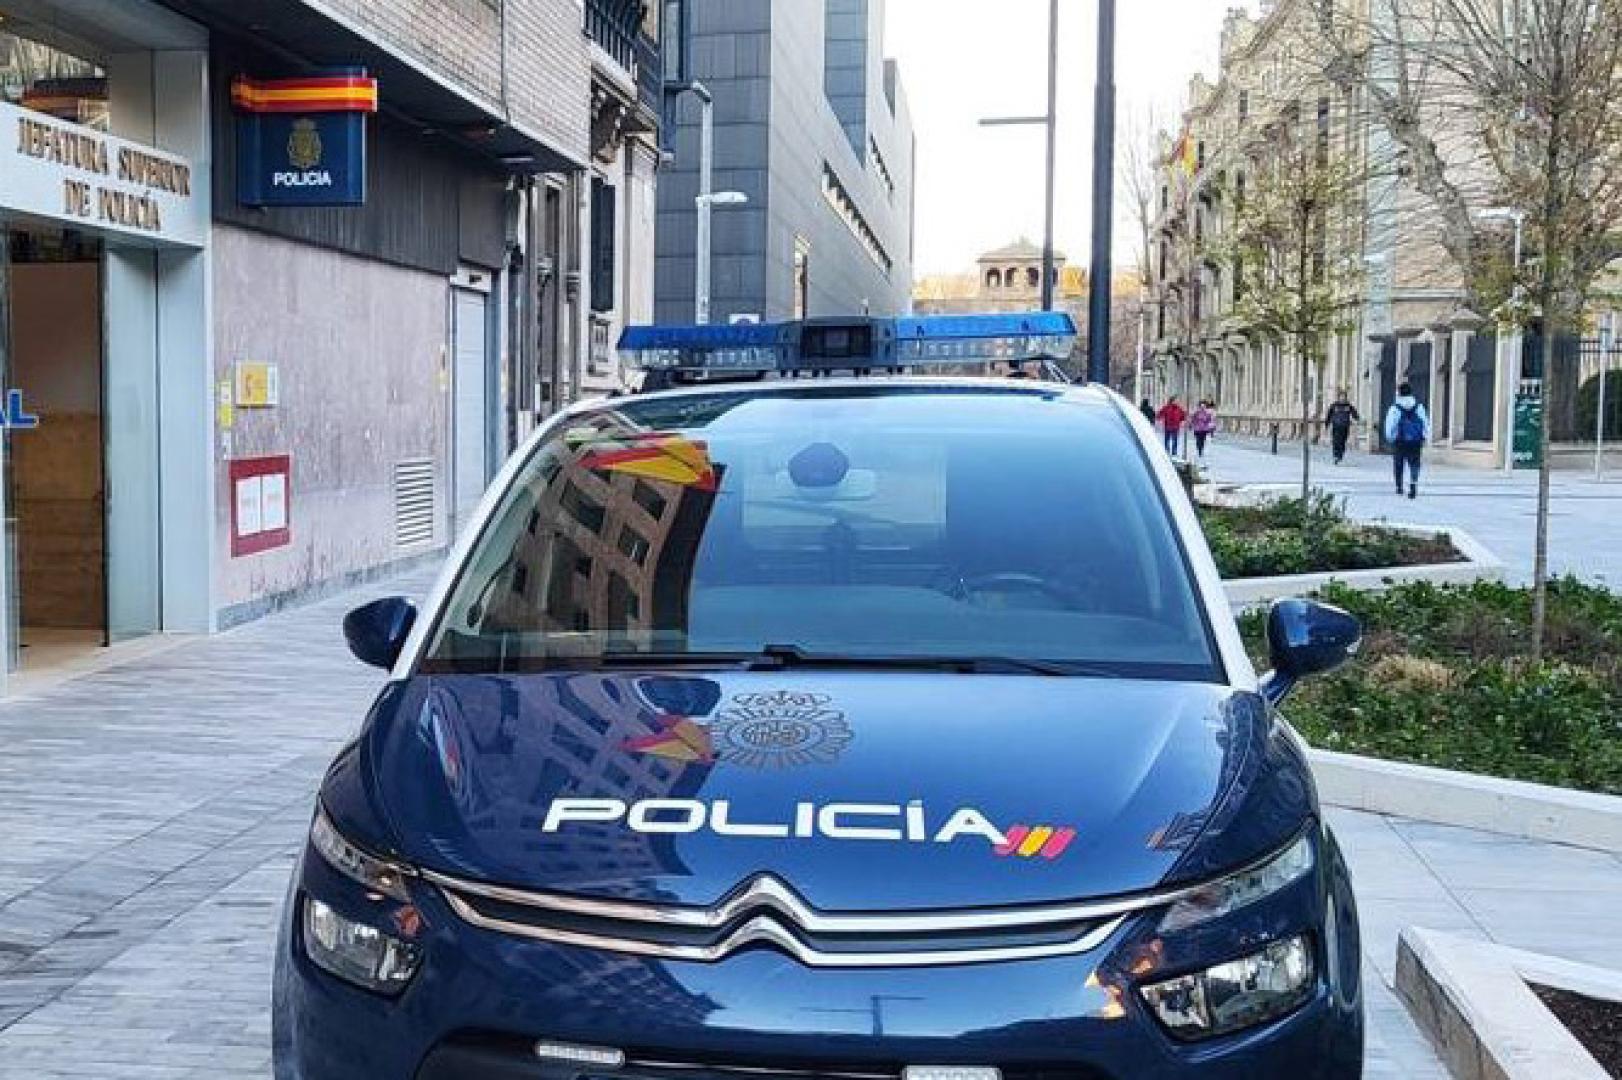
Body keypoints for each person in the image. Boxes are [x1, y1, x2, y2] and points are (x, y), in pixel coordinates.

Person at [1383, 382, 1431, 499]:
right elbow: (1425, 422)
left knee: (1399, 463)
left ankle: (1399, 486)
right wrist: (1425, 436)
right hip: (1415, 440)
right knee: (1414, 463)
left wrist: (1390, 437)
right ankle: (1413, 483)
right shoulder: (1419, 406)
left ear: (1399, 393)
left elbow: (1391, 424)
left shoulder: (1395, 407)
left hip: (1399, 440)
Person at [1323, 390, 1361, 465]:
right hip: (1336, 426)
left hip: (1345, 426)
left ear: (1346, 398)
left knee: (1343, 441)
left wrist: (1357, 419)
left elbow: (1354, 414)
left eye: (1344, 397)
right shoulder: (1334, 405)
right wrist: (1326, 425)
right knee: (1336, 441)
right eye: (1341, 396)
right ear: (1339, 397)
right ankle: (1336, 455)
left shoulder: (1348, 406)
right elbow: (1329, 415)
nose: (1342, 398)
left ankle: (1340, 455)